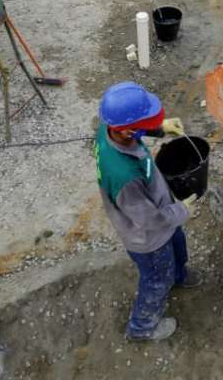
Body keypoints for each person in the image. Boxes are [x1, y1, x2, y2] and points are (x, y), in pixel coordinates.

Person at [94, 82, 200, 342]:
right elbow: (151, 219)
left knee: (177, 244)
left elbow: (134, 132)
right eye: (145, 123)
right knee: (155, 279)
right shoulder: (124, 176)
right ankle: (142, 327)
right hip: (148, 239)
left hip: (162, 214)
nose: (147, 126)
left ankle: (178, 274)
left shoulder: (110, 128)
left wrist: (161, 129)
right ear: (128, 131)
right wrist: (182, 210)